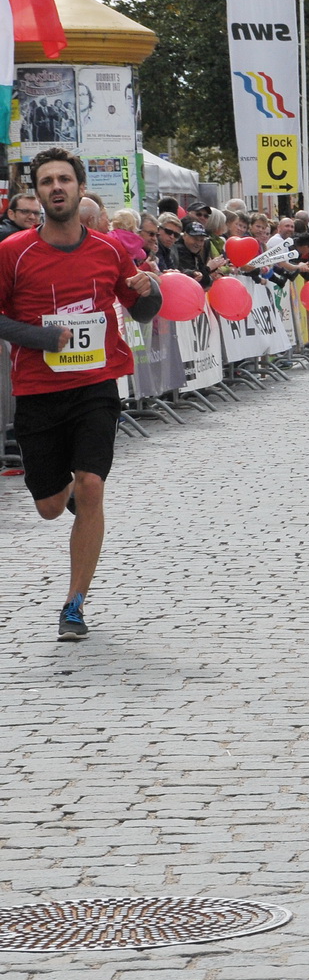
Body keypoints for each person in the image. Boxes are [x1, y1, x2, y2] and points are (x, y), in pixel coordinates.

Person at [0, 148, 163, 640]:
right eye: (46, 180)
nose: (56, 187)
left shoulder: (110, 250)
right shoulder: (13, 253)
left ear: (78, 187)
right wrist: (41, 338)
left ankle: (74, 603)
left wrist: (149, 289)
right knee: (50, 505)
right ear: (36, 192)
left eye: (64, 179)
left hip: (96, 384)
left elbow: (143, 312)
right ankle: (65, 493)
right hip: (38, 388)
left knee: (92, 485)